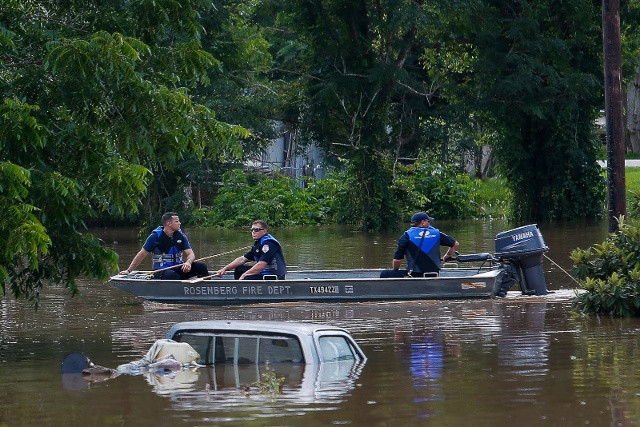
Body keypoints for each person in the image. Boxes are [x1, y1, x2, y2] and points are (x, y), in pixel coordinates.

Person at [119, 212, 209, 279]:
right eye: (177, 221)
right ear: (169, 223)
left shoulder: (181, 236)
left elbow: (190, 254)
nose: (179, 223)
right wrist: (128, 270)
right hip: (161, 271)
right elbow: (141, 254)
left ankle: (206, 287)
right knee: (172, 275)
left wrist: (188, 262)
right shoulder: (154, 237)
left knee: (202, 266)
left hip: (178, 268)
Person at [382, 212, 459, 277]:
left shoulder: (406, 236)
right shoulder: (437, 233)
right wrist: (447, 255)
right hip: (434, 275)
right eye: (428, 221)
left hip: (414, 275)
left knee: (384, 274)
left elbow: (397, 260)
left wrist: (395, 271)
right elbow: (455, 244)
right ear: (423, 222)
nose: (429, 224)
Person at [215, 220, 287, 280]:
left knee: (246, 276)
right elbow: (242, 259)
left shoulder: (269, 244)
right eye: (252, 230)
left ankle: (242, 289)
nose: (253, 232)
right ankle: (239, 288)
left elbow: (261, 265)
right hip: (264, 272)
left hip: (274, 275)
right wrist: (225, 269)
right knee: (239, 269)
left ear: (264, 231)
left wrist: (244, 275)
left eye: (256, 230)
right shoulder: (258, 243)